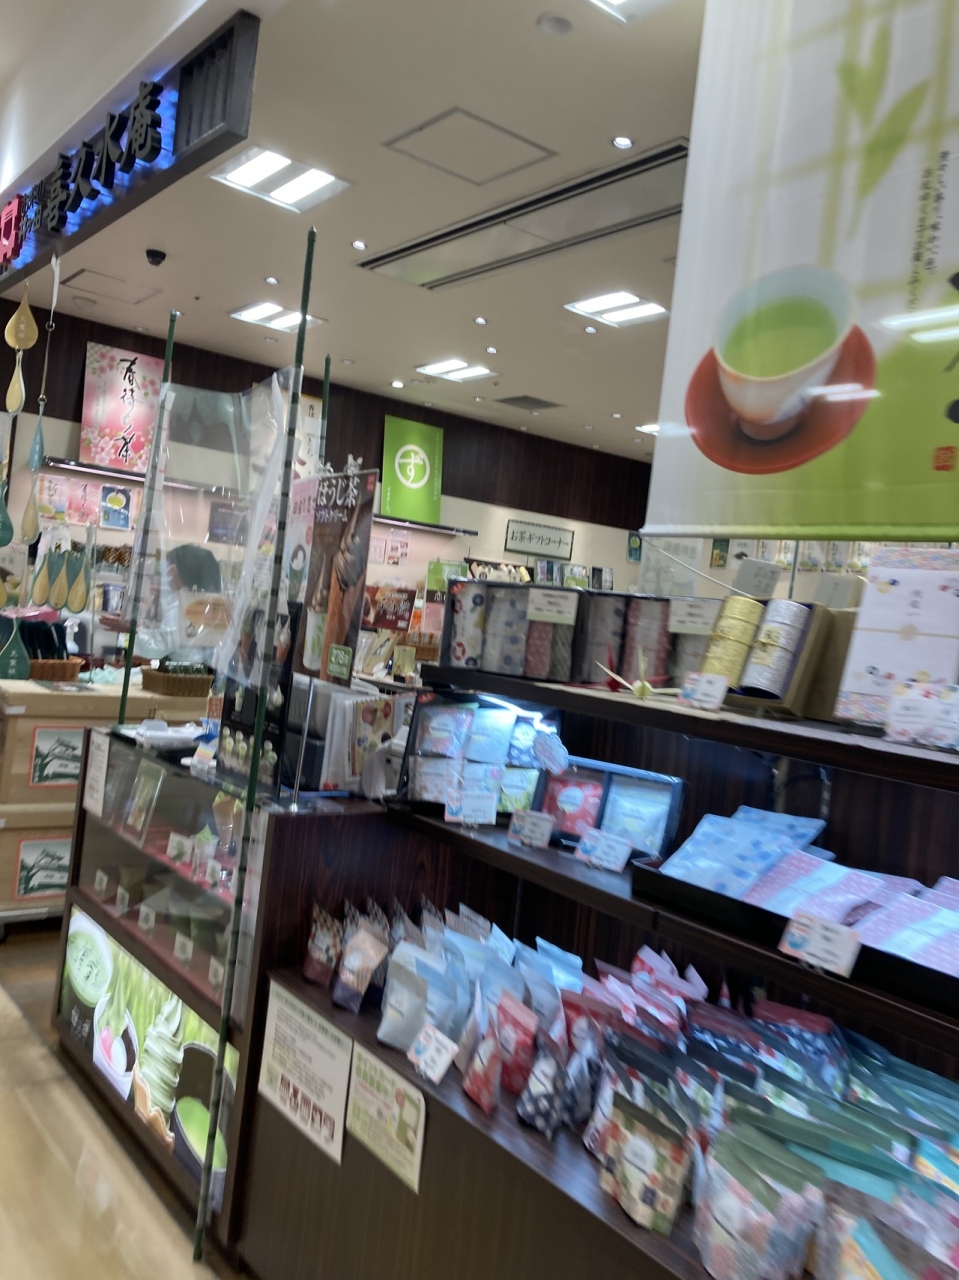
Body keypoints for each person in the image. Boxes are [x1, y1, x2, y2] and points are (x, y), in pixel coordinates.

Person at [100, 543, 222, 661]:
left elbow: (158, 646)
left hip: (184, 670)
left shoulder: (184, 605)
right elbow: (168, 633)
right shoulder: (202, 601)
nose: (167, 575)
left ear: (174, 571)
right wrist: (137, 625)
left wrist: (133, 629)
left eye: (168, 569)